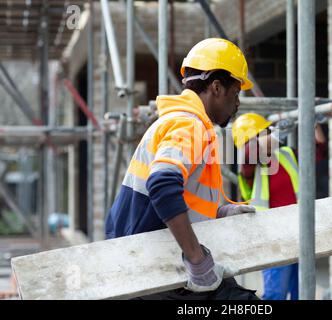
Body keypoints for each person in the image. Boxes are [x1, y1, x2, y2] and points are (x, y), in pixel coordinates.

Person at [105, 38, 259, 300]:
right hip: (151, 264)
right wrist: (198, 261)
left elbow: (180, 192)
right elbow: (163, 185)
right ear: (217, 87)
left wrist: (217, 212)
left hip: (150, 257)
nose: (237, 104)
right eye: (236, 94)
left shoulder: (181, 121)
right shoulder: (189, 125)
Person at [232, 113, 300, 300]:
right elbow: (250, 151)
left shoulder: (284, 154)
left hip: (298, 231)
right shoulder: (248, 165)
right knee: (275, 294)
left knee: (301, 292)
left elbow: (317, 151)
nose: (270, 134)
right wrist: (277, 134)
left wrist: (314, 122)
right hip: (273, 236)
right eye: (265, 132)